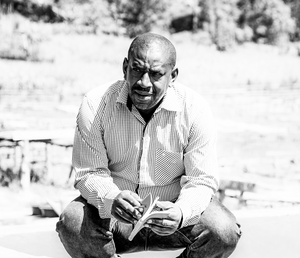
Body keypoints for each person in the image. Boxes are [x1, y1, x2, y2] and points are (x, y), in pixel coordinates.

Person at [56, 33, 241, 258]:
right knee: (72, 222)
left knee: (224, 230)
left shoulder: (196, 110)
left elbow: (201, 180)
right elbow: (88, 173)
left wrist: (182, 212)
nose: (144, 83)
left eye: (156, 75)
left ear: (173, 76)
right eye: (137, 70)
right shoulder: (95, 105)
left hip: (172, 217)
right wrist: (111, 198)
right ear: (125, 67)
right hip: (114, 217)